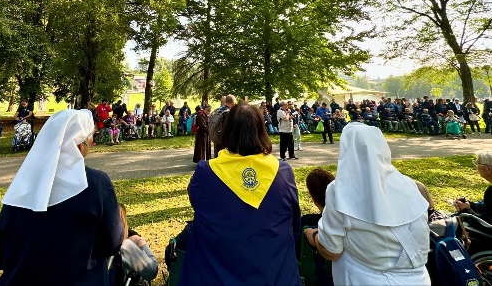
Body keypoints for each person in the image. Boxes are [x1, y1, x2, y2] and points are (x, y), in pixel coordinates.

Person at [0, 109, 124, 286]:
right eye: (91, 138)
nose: (92, 143)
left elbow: (0, 258)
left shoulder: (22, 185)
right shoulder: (97, 183)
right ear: (79, 145)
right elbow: (113, 244)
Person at [180, 102, 301, 286]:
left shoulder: (206, 173)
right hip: (274, 274)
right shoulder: (282, 173)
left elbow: (197, 203)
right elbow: (294, 223)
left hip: (216, 275)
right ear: (261, 130)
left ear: (227, 130)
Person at [312, 122, 430, 285]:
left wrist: (315, 236)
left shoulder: (339, 189)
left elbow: (331, 250)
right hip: (419, 279)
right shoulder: (408, 184)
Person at [454, 151, 492, 224]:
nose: (476, 166)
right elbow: (488, 209)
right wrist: (471, 205)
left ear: (488, 169)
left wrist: (466, 210)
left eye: (478, 163)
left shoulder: (491, 192)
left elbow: (485, 223)